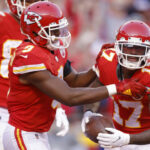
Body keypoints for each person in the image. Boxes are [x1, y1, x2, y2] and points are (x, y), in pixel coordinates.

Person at [2, 1, 147, 150]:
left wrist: (98, 66)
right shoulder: (28, 56)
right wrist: (118, 87)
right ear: (35, 31)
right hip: (23, 132)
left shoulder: (52, 50)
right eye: (54, 30)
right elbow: (69, 97)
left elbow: (75, 81)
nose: (60, 34)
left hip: (37, 133)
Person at [82, 20, 150, 150]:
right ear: (117, 46)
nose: (133, 53)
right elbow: (95, 88)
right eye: (128, 47)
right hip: (116, 133)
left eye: (139, 48)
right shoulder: (108, 61)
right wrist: (89, 113)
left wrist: (127, 139)